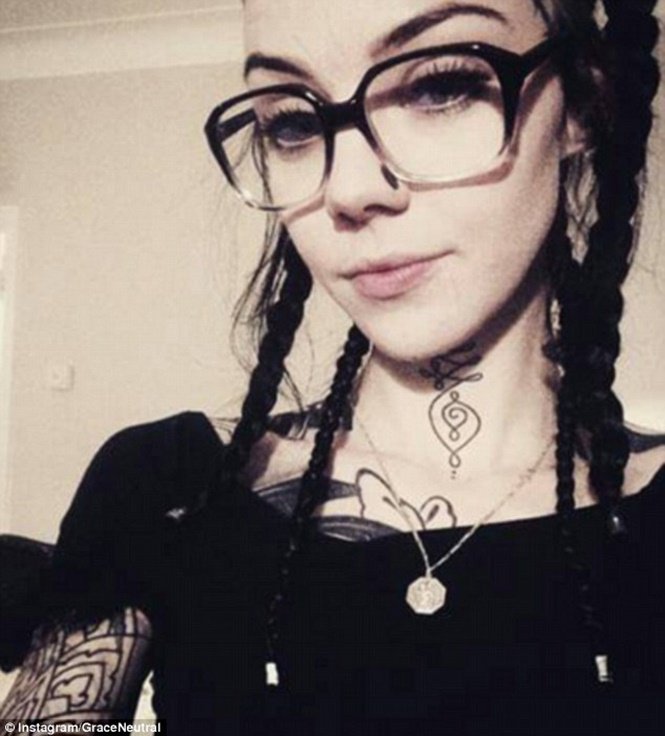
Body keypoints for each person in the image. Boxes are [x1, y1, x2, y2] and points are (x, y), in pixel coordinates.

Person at [1, 0, 663, 734]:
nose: (348, 190)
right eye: (292, 122)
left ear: (583, 100)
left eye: (439, 85)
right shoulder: (171, 487)